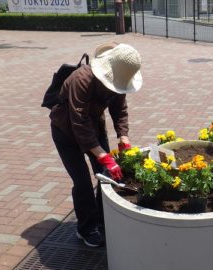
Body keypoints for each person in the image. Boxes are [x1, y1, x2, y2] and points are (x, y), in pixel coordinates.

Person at [49, 43, 142, 247]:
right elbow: (78, 121)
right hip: (66, 132)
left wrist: (123, 138)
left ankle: (103, 219)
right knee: (82, 181)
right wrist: (103, 155)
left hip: (93, 126)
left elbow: (120, 110)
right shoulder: (81, 80)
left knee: (106, 176)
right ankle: (86, 228)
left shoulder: (118, 79)